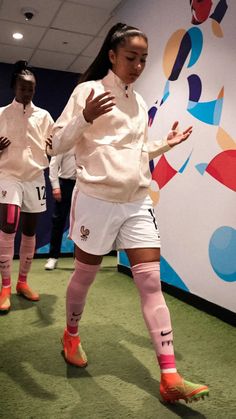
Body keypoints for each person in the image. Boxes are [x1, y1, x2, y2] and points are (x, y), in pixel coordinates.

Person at [48, 23, 209, 403]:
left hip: (136, 201)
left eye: (143, 60)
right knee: (85, 277)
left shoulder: (138, 103)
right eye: (131, 58)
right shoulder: (87, 91)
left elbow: (130, 152)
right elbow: (54, 145)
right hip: (96, 200)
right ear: (112, 56)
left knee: (150, 283)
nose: (138, 66)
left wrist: (163, 146)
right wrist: (83, 118)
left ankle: (169, 376)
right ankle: (71, 335)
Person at [0, 60, 54, 313]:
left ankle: (22, 282)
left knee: (30, 229)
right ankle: (5, 286)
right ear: (14, 87)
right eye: (23, 88)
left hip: (34, 177)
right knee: (9, 223)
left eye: (31, 89)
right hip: (8, 175)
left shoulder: (43, 116)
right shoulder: (1, 113)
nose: (27, 93)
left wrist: (54, 146)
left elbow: (54, 145)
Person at [44, 150, 77, 270]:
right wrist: (56, 187)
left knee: (82, 223)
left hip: (83, 185)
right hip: (65, 184)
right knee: (58, 221)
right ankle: (53, 257)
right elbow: (53, 165)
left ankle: (79, 259)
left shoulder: (88, 140)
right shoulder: (65, 141)